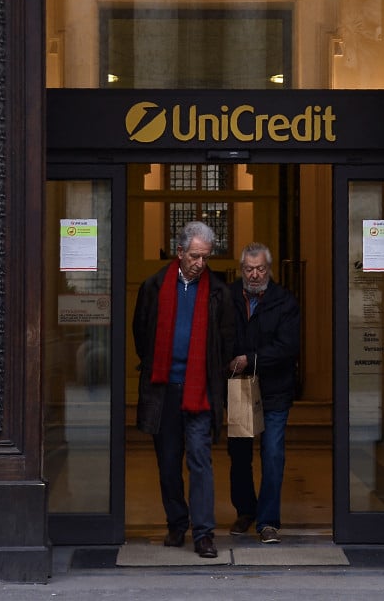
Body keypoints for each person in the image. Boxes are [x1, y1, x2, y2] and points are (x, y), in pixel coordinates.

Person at [132, 220, 235, 558]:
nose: (200, 263)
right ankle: (176, 524)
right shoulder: (153, 287)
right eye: (194, 256)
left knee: (200, 461)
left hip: (200, 391)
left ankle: (204, 533)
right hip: (164, 390)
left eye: (205, 257)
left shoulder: (219, 291)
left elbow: (226, 340)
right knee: (167, 463)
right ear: (179, 252)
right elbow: (141, 333)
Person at [226, 242, 301, 545]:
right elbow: (219, 334)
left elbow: (288, 347)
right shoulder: (228, 296)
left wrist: (250, 359)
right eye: (249, 269)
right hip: (240, 389)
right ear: (241, 269)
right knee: (239, 456)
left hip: (275, 391)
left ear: (269, 269)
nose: (255, 274)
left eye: (260, 269)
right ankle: (246, 511)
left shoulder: (285, 301)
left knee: (272, 455)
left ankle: (268, 521)